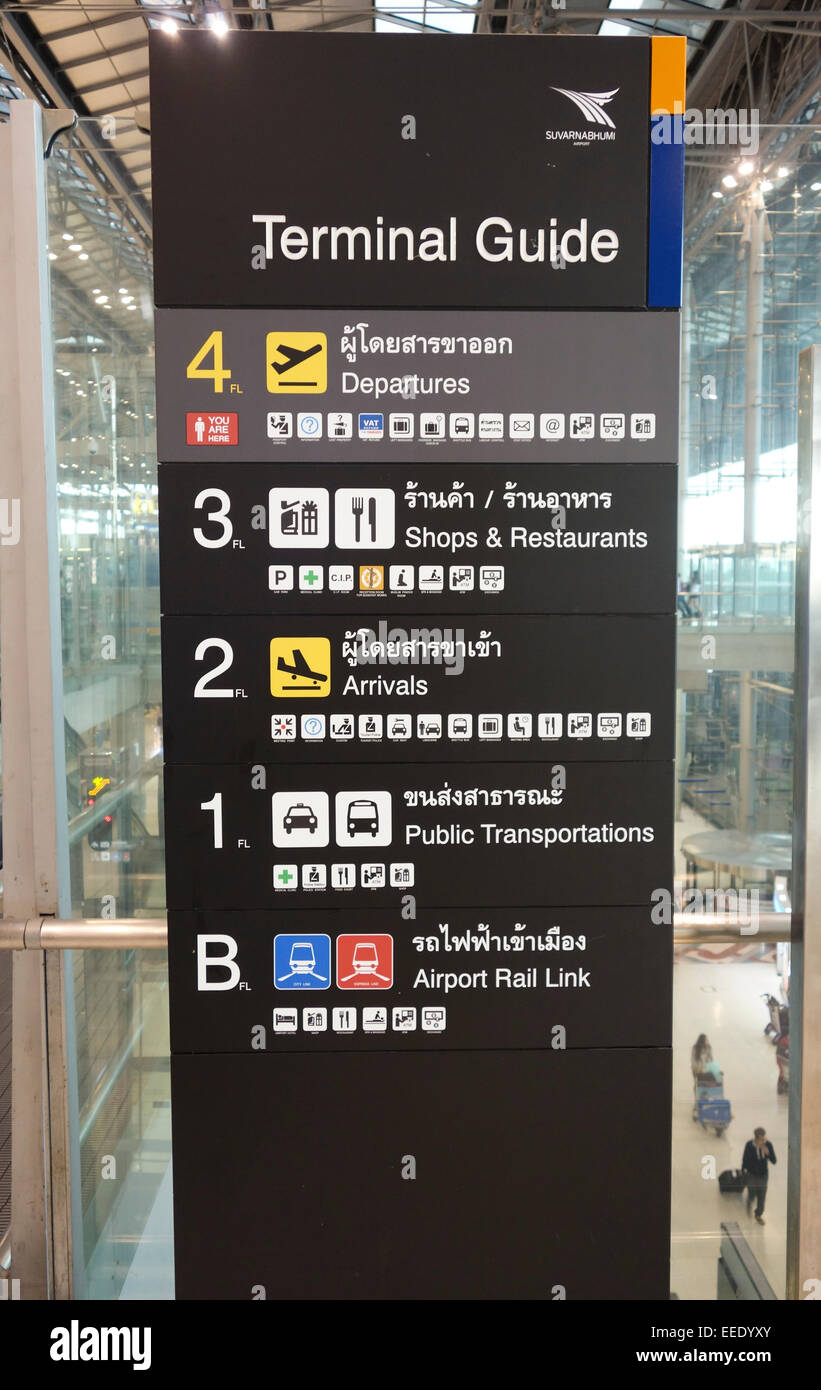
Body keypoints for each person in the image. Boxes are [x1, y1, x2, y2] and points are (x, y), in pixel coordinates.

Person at [742, 1127, 776, 1224]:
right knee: (752, 1192)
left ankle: (758, 1214)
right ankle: (749, 1203)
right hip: (751, 1174)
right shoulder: (749, 1145)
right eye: (761, 1138)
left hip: (763, 1175)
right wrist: (743, 1169)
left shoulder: (768, 1145)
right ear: (756, 1137)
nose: (763, 1140)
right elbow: (745, 1158)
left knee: (762, 1195)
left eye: (763, 1138)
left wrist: (768, 1153)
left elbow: (774, 1161)